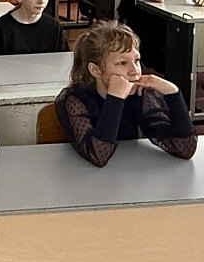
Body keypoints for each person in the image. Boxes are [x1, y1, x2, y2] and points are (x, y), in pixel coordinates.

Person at [54, 22, 196, 168]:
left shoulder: (140, 95)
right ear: (96, 70)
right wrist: (115, 99)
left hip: (128, 174)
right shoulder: (76, 99)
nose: (135, 71)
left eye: (137, 60)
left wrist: (173, 93)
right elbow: (98, 155)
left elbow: (185, 149)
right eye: (122, 63)